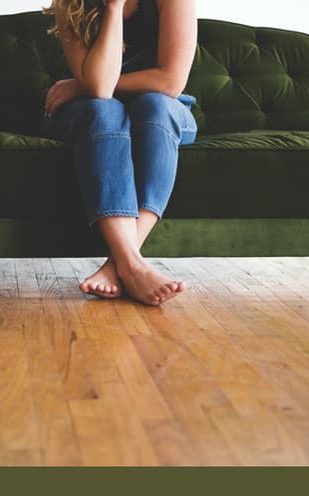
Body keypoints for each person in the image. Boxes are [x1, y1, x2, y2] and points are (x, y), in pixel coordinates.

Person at [39, 0, 199, 307]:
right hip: (92, 108)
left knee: (155, 105)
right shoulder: (70, 4)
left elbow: (170, 81)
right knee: (104, 111)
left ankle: (121, 264)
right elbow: (99, 88)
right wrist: (113, 8)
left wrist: (78, 85)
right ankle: (133, 265)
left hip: (164, 108)